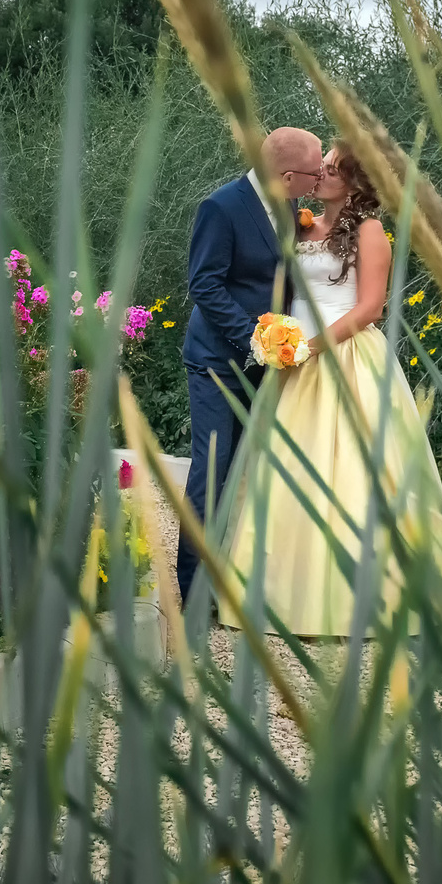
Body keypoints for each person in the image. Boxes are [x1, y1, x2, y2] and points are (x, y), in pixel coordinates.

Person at [226, 142, 442, 638]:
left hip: (343, 356)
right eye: (320, 165)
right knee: (287, 474)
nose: (319, 172)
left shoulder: (371, 233)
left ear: (355, 182)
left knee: (352, 473)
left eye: (331, 168)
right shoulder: (305, 225)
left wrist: (312, 346)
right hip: (295, 359)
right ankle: (282, 595)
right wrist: (284, 340)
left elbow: (369, 308)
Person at [176, 126, 323, 608]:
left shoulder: (288, 208)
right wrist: (257, 339)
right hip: (219, 361)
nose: (320, 176)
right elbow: (205, 285)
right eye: (314, 170)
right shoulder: (222, 207)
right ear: (287, 174)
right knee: (212, 470)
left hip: (268, 365)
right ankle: (194, 594)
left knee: (247, 472)